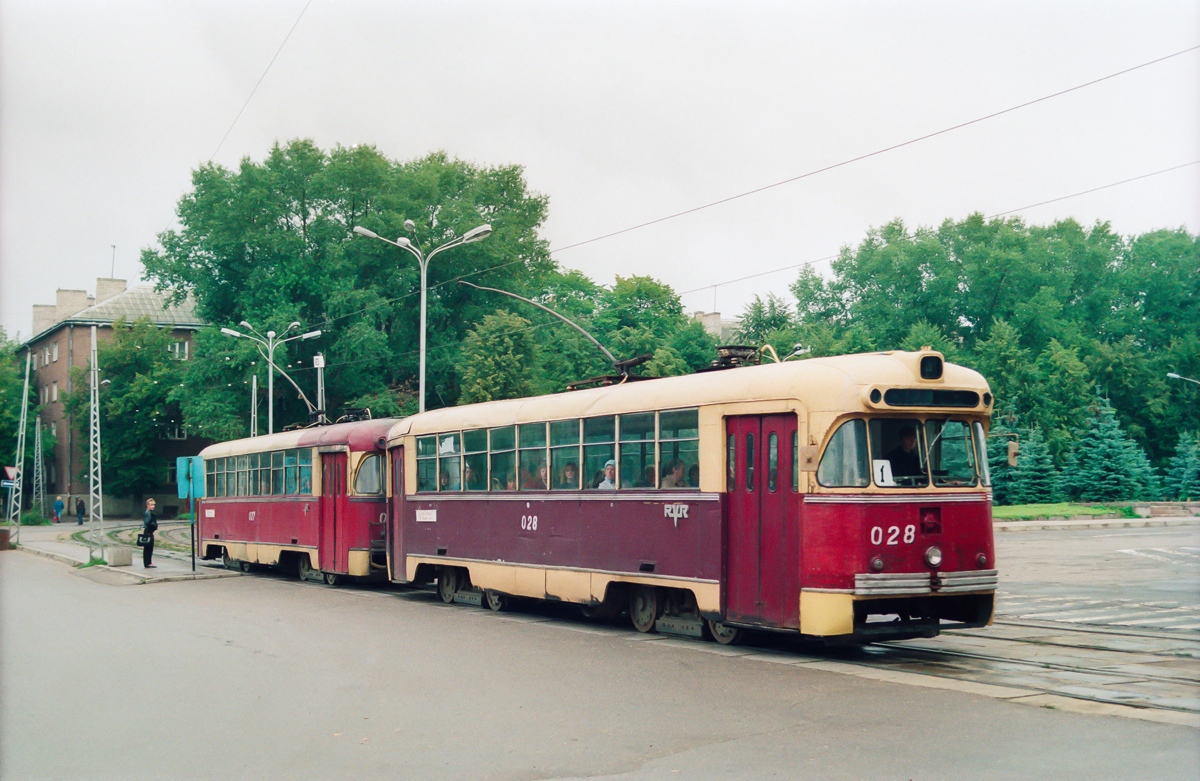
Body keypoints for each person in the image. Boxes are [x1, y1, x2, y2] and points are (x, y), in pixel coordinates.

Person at [141, 498, 159, 569]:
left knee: (148, 548)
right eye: (151, 505)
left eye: (154, 505)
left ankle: (148, 563)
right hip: (148, 532)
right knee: (148, 548)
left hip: (148, 532)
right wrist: (154, 525)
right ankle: (148, 563)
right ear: (148, 505)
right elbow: (148, 523)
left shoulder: (148, 513)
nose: (153, 506)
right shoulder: (148, 513)